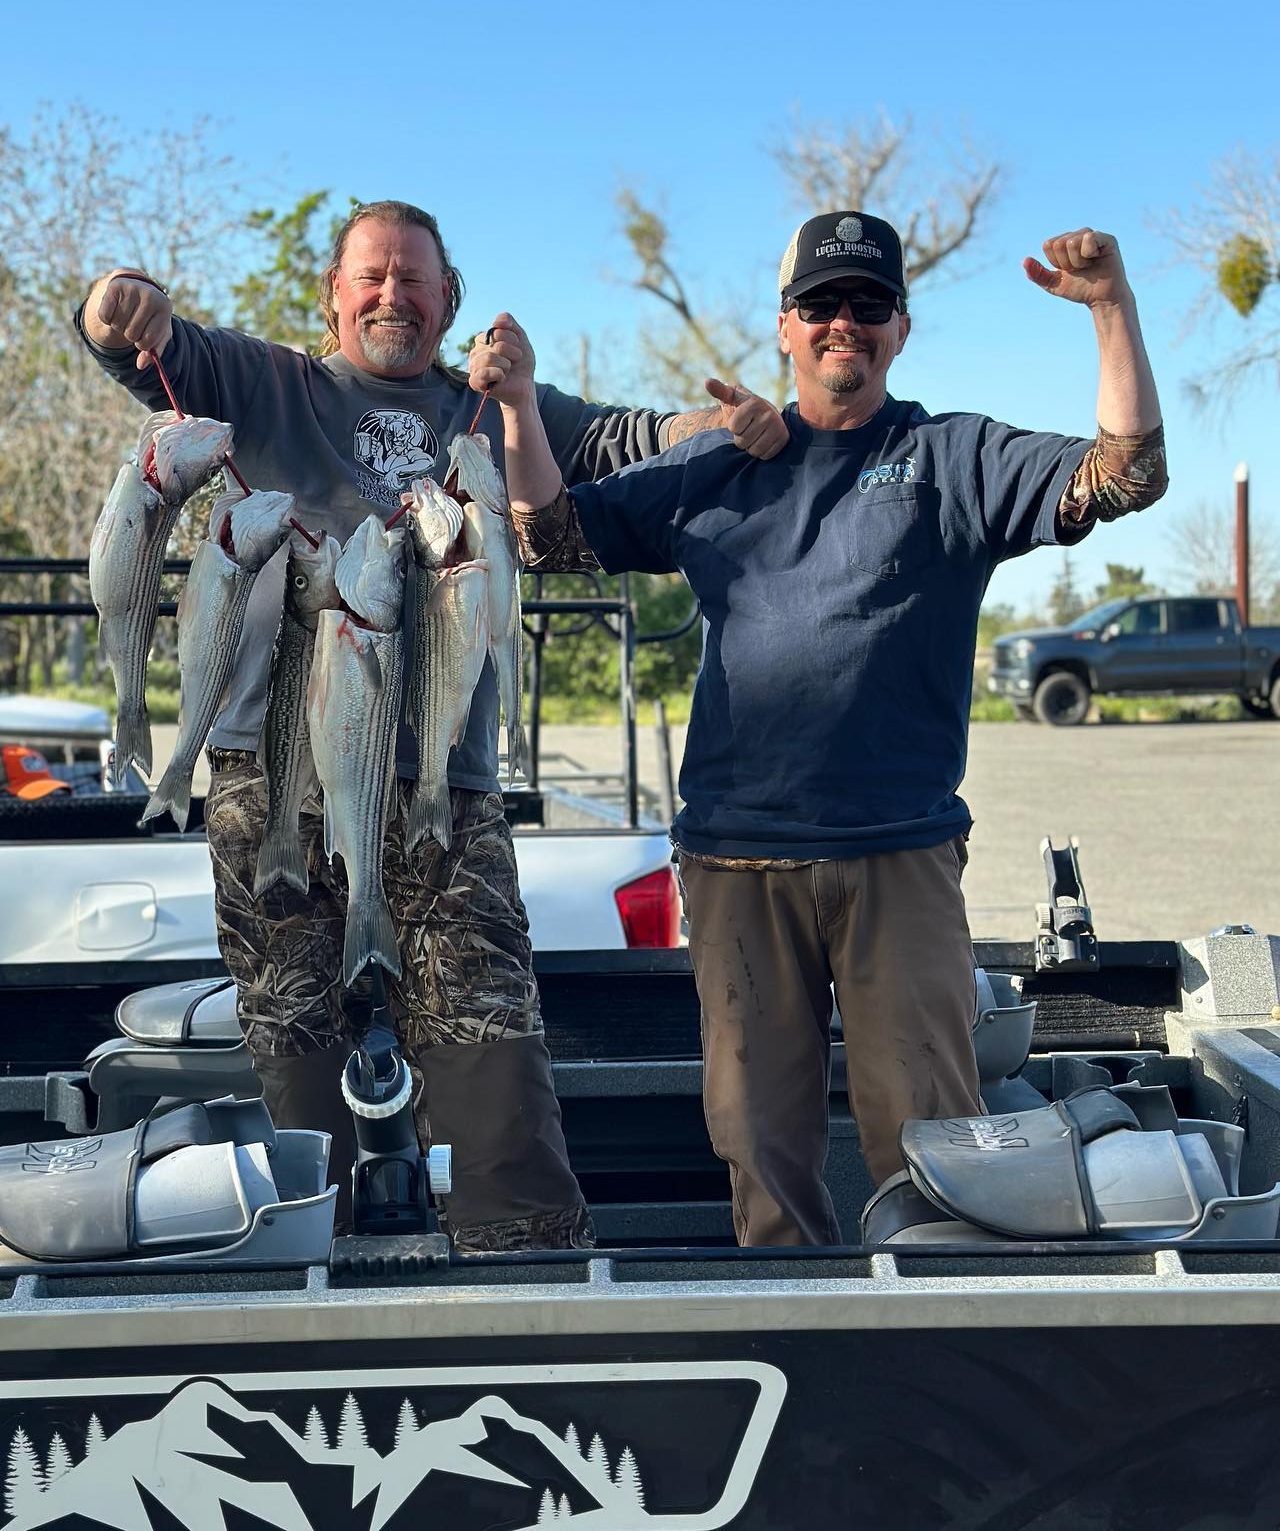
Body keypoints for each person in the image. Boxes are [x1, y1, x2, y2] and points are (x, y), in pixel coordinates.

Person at [75, 198, 787, 1253]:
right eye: (370, 276)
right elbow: (140, 347)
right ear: (333, 295)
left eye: (414, 278)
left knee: (492, 1046)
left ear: (448, 299)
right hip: (266, 779)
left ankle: (526, 1269)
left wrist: (725, 424)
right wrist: (112, 306)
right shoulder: (269, 383)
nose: (391, 295)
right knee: (290, 1043)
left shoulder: (495, 409)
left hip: (442, 786)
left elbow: (632, 437)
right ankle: (297, 1258)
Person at [490, 210, 1168, 1246]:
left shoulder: (956, 457)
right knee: (760, 1148)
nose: (841, 322)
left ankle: (933, 1365)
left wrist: (1111, 308)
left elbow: (1129, 473)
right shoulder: (720, 461)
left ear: (901, 328)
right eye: (820, 304)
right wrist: (521, 406)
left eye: (866, 304)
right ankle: (795, 1343)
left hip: (900, 858)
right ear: (784, 327)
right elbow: (547, 539)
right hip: (735, 863)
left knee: (937, 1145)